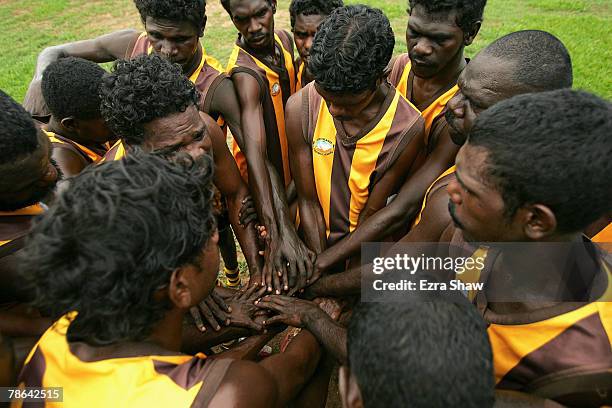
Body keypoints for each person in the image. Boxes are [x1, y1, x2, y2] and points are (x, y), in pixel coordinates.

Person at [16, 151, 323, 407]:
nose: (217, 235)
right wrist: (316, 316)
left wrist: (257, 331)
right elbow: (296, 369)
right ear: (179, 286)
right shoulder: (230, 394)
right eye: (207, 231)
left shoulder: (53, 340)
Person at [303, 30, 575, 300]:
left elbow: (394, 270)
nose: (453, 106)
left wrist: (313, 291)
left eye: (475, 104)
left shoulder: (462, 202)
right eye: (460, 91)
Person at [443, 89, 611, 405]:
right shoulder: (480, 237)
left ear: (535, 220)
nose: (450, 190)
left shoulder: (593, 364)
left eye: (468, 189)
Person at [311, 0, 487, 277]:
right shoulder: (393, 70)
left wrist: (322, 265)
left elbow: (403, 207)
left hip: (407, 238)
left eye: (439, 39)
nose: (421, 48)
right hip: (359, 222)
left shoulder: (461, 111)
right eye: (414, 33)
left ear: (470, 33)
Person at [98, 55, 261, 329]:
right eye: (173, 150)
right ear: (133, 146)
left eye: (197, 137)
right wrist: (197, 289)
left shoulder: (203, 127)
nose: (197, 155)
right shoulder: (116, 197)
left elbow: (235, 195)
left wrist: (256, 270)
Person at [287, 5, 424, 268]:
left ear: (380, 78)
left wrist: (339, 279)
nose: (335, 111)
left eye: (349, 105)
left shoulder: (405, 129)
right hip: (310, 247)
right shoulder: (300, 107)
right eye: (327, 99)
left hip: (361, 255)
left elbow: (371, 218)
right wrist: (317, 265)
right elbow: (308, 200)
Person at [222, 0, 315, 295]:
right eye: (242, 19)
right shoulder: (245, 76)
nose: (254, 27)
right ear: (231, 18)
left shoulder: (286, 41)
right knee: (278, 253)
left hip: (293, 170)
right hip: (264, 179)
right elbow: (257, 155)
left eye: (260, 14)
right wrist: (278, 230)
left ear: (273, 5)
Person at [0, 90, 60, 379]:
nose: (51, 174)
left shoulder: (16, 142)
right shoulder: (17, 258)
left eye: (46, 154)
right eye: (31, 180)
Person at [40, 57, 114, 177]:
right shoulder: (62, 158)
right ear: (72, 124)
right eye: (108, 119)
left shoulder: (87, 129)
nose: (118, 119)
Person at [289, 0, 343, 90]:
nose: (308, 45)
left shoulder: (348, 85)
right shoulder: (295, 70)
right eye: (301, 35)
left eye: (318, 35)